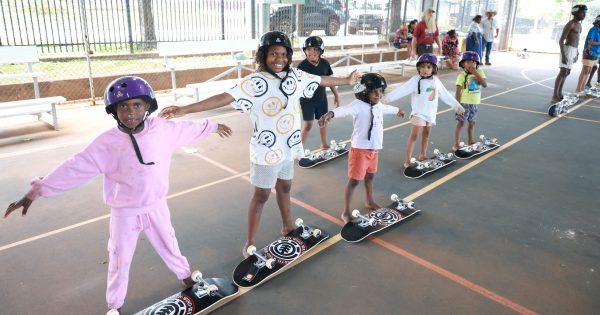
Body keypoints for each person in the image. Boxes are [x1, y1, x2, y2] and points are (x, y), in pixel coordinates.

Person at [3, 76, 232, 314]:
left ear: (147, 107)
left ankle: (186, 277)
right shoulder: (106, 144)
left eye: (137, 105)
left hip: (156, 207)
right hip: (125, 213)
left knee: (170, 245)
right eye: (123, 106)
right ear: (114, 110)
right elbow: (74, 167)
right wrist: (35, 192)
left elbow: (188, 128)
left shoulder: (162, 129)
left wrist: (214, 126)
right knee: (119, 259)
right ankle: (115, 305)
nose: (130, 111)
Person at [158, 31, 359, 257]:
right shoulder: (254, 82)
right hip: (266, 150)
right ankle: (250, 241)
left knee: (285, 188)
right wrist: (184, 109)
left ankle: (288, 227)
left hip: (287, 146)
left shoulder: (295, 75)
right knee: (262, 195)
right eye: (273, 54)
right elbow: (223, 98)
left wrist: (346, 81)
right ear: (263, 55)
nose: (279, 59)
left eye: (283, 54)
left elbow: (321, 79)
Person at [318, 73, 404, 223]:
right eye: (374, 91)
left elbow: (387, 108)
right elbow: (344, 110)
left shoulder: (378, 105)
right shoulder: (358, 105)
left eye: (380, 91)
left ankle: (369, 201)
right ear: (364, 92)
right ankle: (345, 211)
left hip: (374, 150)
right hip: (360, 151)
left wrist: (397, 110)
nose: (378, 94)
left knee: (370, 176)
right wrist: (331, 113)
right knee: (354, 181)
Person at [385, 54, 465, 168]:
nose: (425, 70)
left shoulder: (436, 81)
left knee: (426, 135)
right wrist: (385, 99)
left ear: (434, 69)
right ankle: (407, 160)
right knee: (414, 136)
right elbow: (401, 91)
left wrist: (458, 107)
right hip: (418, 113)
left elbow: (446, 95)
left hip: (430, 113)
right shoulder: (415, 80)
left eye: (428, 67)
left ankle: (423, 154)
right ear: (418, 68)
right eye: (422, 67)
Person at [297, 36, 340, 150]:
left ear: (320, 51)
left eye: (315, 49)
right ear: (305, 51)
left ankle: (324, 144)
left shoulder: (325, 64)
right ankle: (298, 149)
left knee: (323, 121)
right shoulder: (302, 66)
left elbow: (329, 81)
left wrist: (336, 95)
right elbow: (297, 86)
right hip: (307, 101)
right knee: (308, 125)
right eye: (309, 49)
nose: (312, 52)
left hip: (321, 99)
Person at [552, 4, 587, 103]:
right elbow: (561, 40)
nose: (584, 15)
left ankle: (559, 93)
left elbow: (577, 40)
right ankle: (555, 95)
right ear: (575, 12)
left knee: (567, 72)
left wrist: (577, 53)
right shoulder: (570, 24)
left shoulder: (579, 25)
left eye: (585, 13)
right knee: (562, 72)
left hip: (573, 50)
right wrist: (563, 55)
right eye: (582, 13)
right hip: (567, 49)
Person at [453, 51, 487, 150]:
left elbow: (484, 84)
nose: (471, 64)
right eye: (468, 62)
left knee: (472, 123)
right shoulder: (462, 76)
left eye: (473, 62)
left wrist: (475, 72)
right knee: (461, 123)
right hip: (464, 103)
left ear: (477, 64)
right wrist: (458, 106)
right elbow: (458, 91)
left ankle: (470, 140)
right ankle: (456, 143)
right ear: (463, 64)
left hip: (475, 103)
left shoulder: (479, 73)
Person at [576, 15, 600, 93]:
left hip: (595, 53)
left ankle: (581, 89)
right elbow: (590, 42)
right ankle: (578, 90)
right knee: (585, 70)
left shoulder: (598, 30)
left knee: (588, 71)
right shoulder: (593, 29)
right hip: (589, 52)